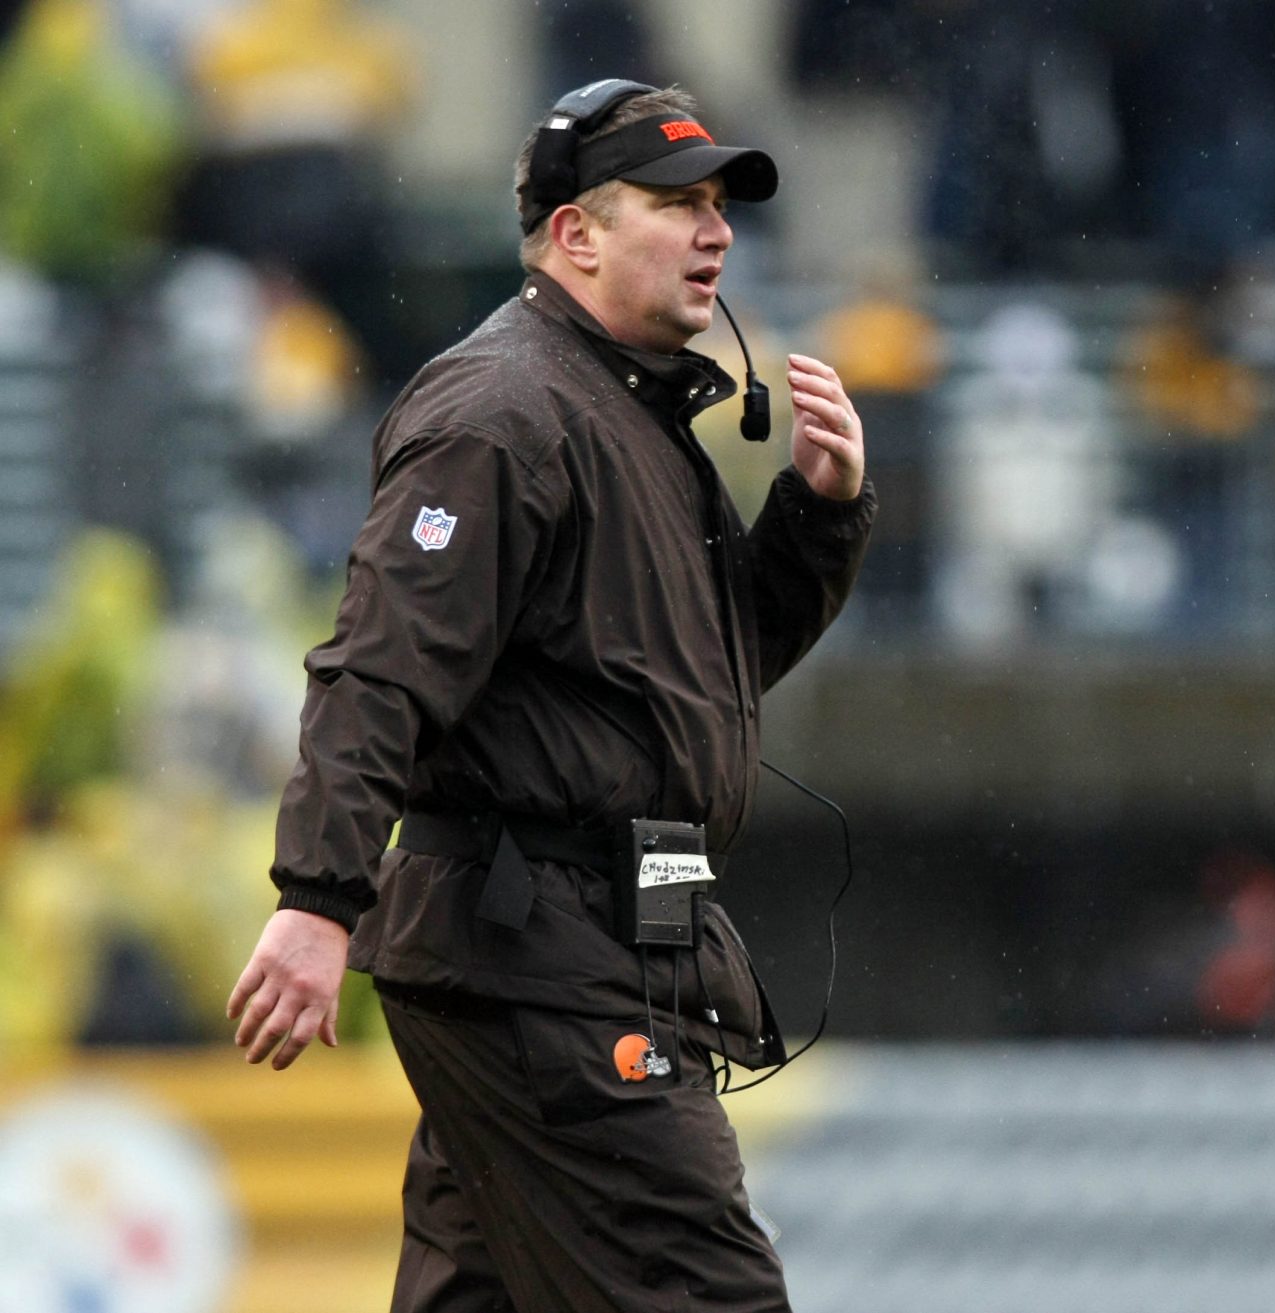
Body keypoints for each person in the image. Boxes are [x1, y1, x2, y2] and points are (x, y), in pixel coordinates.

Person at [225, 77, 874, 1312]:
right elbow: (380, 662)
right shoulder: (502, 410)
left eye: (721, 204)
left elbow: (694, 686)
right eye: (678, 202)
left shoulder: (622, 410)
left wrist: (815, 515)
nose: (717, 229)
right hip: (544, 949)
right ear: (576, 233)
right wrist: (317, 897)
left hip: (590, 939)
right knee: (707, 1293)